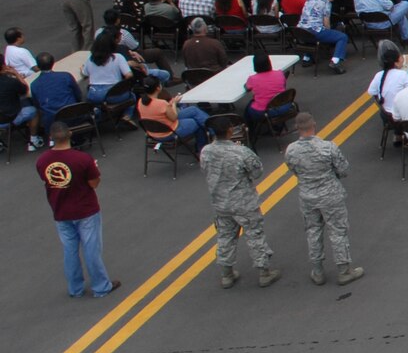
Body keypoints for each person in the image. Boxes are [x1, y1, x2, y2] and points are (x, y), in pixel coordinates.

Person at [36, 123, 120, 298]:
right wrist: (95, 169)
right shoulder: (83, 159)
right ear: (70, 134)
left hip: (60, 211)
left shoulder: (42, 161)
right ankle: (101, 286)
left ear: (51, 137)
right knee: (91, 249)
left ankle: (75, 288)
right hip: (85, 210)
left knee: (69, 250)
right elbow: (94, 183)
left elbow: (48, 180)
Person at [284, 112, 363, 287]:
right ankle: (344, 271)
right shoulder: (328, 147)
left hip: (307, 196)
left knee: (313, 231)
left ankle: (318, 271)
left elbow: (293, 169)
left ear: (297, 128)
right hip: (330, 196)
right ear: (314, 125)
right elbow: (343, 170)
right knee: (337, 231)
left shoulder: (291, 150)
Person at [202, 116, 277, 288]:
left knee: (225, 236)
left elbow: (205, 170)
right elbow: (257, 172)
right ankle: (264, 272)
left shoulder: (206, 151)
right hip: (244, 202)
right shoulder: (241, 152)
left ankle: (227, 274)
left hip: (220, 203)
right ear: (230, 131)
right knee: (255, 235)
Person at [136, 75, 207, 152]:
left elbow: (158, 113)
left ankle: (211, 134)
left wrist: (170, 104)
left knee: (193, 110)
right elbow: (174, 117)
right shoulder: (161, 103)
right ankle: (203, 145)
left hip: (153, 133)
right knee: (195, 122)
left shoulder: (140, 101)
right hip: (168, 132)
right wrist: (174, 103)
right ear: (158, 88)